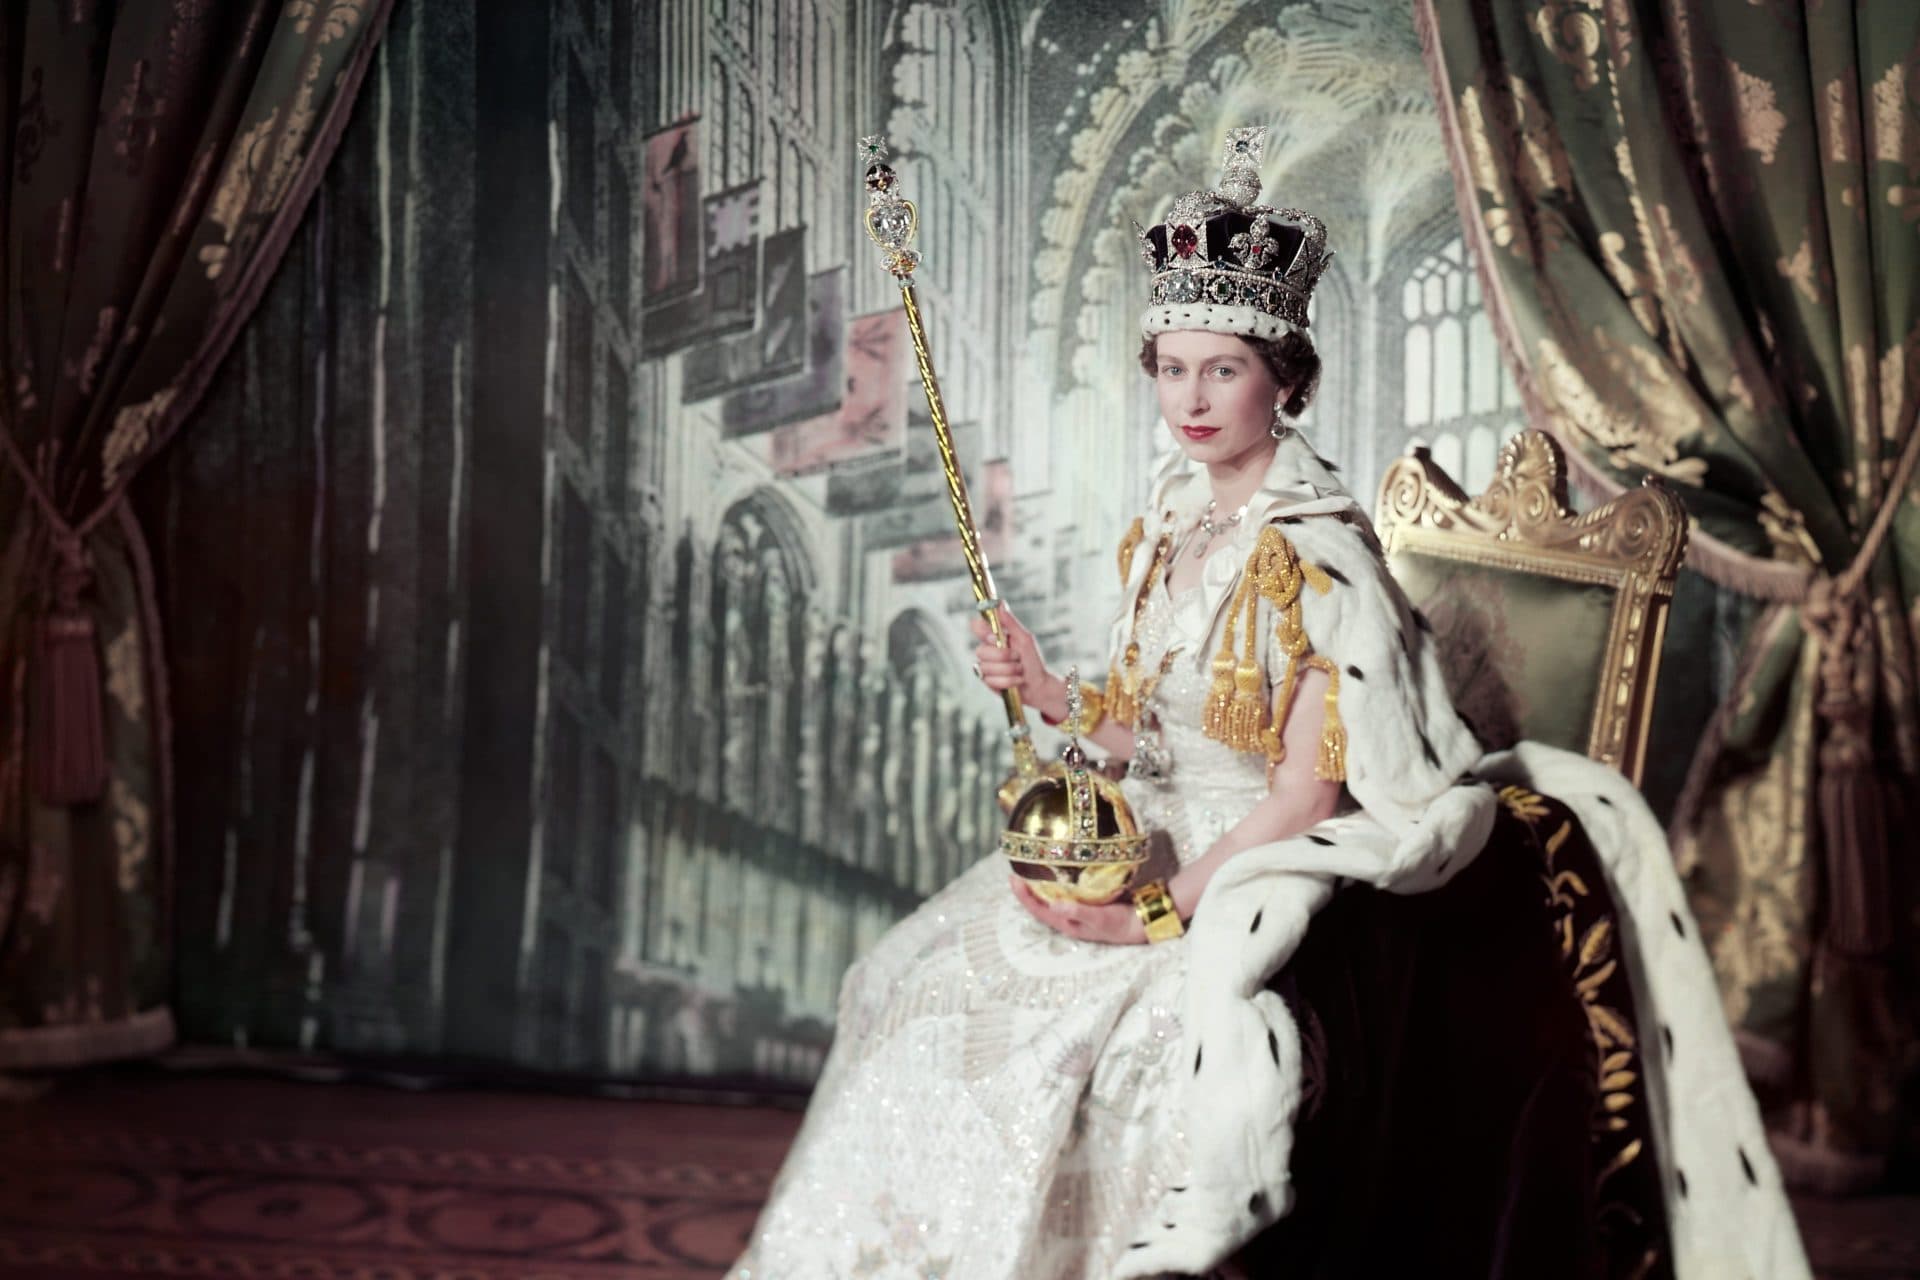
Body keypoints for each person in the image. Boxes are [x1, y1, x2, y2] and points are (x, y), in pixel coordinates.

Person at [731, 128, 1808, 1280]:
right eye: (1172, 367)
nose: (1190, 398)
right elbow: (1144, 731)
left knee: (1127, 1052)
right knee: (911, 979)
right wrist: (1048, 690)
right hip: (1143, 833)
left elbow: (1303, 796)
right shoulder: (1169, 523)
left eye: (1224, 369)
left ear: (1284, 379)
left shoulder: (1324, 560)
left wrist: (1152, 916)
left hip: (1257, 865)